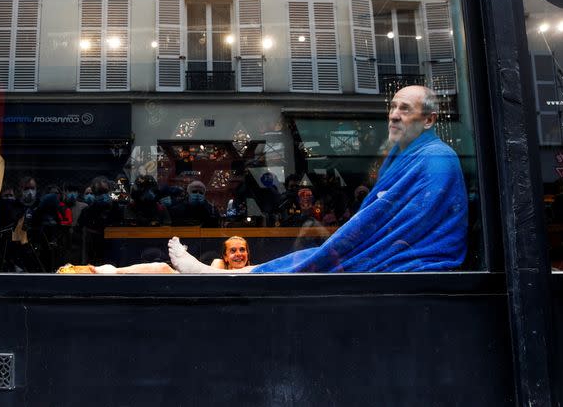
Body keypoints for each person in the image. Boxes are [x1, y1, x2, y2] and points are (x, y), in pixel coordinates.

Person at [167, 85, 468, 273]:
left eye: (405, 109)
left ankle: (224, 274)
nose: (393, 115)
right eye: (392, 106)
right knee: (310, 257)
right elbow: (382, 211)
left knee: (314, 259)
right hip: (392, 250)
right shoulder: (407, 155)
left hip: (408, 259)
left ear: (429, 120)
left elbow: (389, 216)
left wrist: (340, 241)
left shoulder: (436, 159)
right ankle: (226, 274)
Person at [57, 236, 252, 274]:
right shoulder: (219, 263)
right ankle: (101, 271)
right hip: (189, 280)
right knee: (162, 267)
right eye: (233, 250)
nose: (238, 254)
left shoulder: (256, 269)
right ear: (225, 256)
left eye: (242, 250)